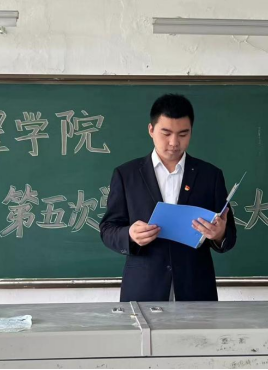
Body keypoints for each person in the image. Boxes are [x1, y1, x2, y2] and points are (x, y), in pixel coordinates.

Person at [100, 93, 237, 302]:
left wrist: (219, 234)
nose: (174, 142)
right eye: (166, 133)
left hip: (196, 288)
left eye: (183, 134)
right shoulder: (126, 175)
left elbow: (229, 235)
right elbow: (108, 229)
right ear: (151, 130)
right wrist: (130, 234)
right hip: (144, 288)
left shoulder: (210, 175)